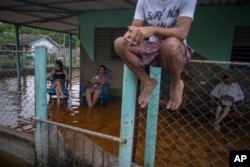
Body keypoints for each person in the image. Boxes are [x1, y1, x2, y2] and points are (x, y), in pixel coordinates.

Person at [114, 0, 197, 110]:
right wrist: (130, 35)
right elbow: (135, 26)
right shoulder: (143, 1)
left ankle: (176, 83)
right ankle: (148, 82)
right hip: (153, 47)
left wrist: (153, 30)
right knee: (120, 43)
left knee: (170, 43)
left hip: (175, 49)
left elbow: (182, 32)